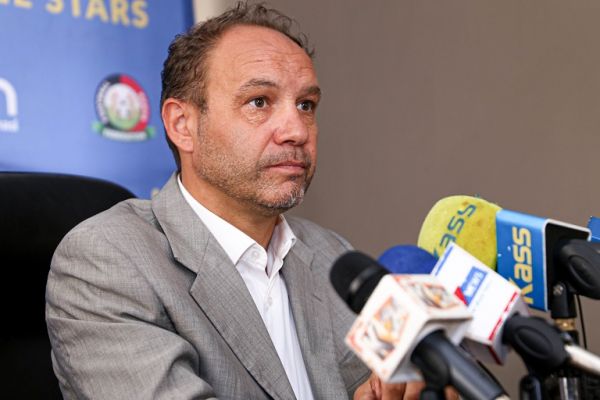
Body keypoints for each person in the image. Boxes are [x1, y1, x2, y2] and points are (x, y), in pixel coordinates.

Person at [46, 2, 455, 399]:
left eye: (306, 105)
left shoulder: (334, 257)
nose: (296, 130)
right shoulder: (107, 260)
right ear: (182, 124)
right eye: (259, 101)